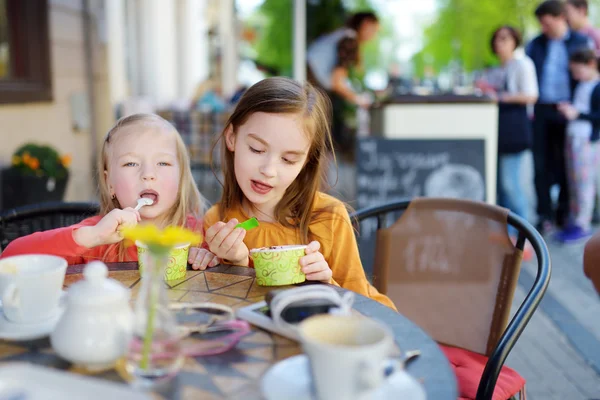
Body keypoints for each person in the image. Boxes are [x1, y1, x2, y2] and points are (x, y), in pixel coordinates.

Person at [199, 77, 396, 310]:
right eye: (257, 149)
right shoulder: (218, 221)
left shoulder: (329, 217)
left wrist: (326, 285)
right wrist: (237, 263)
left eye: (288, 159)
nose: (268, 170)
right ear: (231, 137)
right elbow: (225, 311)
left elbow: (364, 307)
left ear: (306, 162)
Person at [0, 113, 218, 269]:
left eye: (163, 163)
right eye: (131, 164)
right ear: (109, 183)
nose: (148, 173)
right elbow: (9, 258)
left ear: (181, 178)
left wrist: (209, 258)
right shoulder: (98, 236)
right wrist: (91, 237)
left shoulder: (202, 234)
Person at [526, 0, 591, 234]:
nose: (544, 27)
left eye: (547, 22)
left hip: (569, 110)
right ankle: (545, 214)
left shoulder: (580, 41)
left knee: (567, 164)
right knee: (540, 163)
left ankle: (564, 213)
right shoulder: (536, 44)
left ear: (561, 18)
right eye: (541, 24)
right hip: (543, 108)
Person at [306, 11, 380, 159]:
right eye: (374, 30)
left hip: (310, 85)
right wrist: (359, 99)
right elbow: (337, 82)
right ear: (365, 24)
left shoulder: (342, 35)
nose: (374, 35)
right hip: (312, 88)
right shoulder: (349, 40)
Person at [556, 49, 600, 242]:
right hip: (573, 137)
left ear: (590, 64)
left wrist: (577, 114)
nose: (575, 75)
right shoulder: (581, 85)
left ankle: (583, 222)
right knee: (573, 182)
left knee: (584, 183)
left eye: (577, 70)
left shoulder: (597, 87)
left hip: (587, 140)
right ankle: (575, 220)